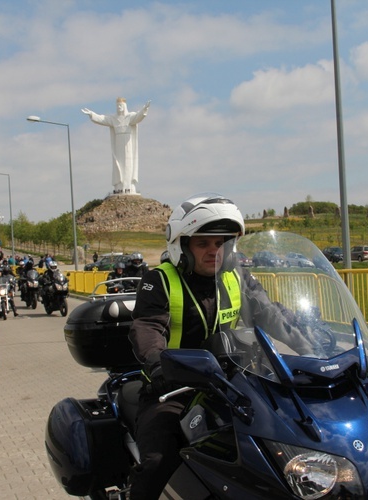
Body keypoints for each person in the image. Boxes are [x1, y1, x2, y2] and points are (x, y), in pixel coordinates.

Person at [127, 193, 315, 499]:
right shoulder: (159, 280)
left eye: (221, 243)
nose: (214, 251)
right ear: (182, 246)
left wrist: (311, 344)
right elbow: (147, 327)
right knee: (157, 461)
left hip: (234, 385)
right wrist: (159, 363)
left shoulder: (236, 277)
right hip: (174, 390)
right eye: (203, 243)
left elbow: (271, 314)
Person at [82, 98, 151, 194]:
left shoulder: (130, 117)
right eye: (117, 106)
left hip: (128, 144)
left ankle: (129, 186)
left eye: (120, 105)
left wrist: (144, 109)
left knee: (128, 164)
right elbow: (103, 119)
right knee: (119, 164)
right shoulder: (113, 118)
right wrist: (92, 114)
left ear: (124, 106)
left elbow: (138, 117)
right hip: (118, 144)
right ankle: (119, 185)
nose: (119, 107)